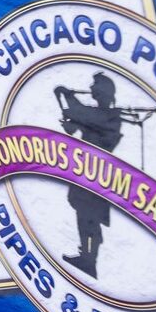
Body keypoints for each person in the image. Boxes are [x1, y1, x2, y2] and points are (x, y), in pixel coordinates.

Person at [54, 72, 127, 278]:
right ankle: (86, 256)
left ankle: (90, 259)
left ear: (104, 91)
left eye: (95, 86)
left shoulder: (112, 116)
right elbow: (72, 126)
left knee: (90, 218)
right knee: (83, 216)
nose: (92, 89)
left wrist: (66, 95)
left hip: (98, 177)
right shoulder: (96, 115)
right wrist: (66, 108)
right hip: (84, 173)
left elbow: (80, 114)